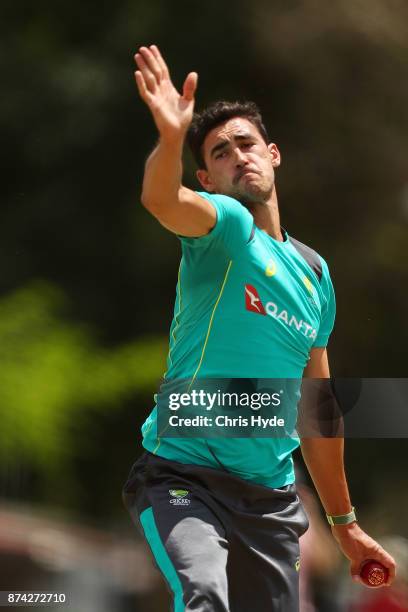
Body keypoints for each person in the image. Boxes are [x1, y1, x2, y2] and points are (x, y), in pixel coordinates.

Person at [123, 44, 396, 611]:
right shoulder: (225, 228)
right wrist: (170, 137)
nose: (237, 156)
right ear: (208, 178)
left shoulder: (316, 274)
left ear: (273, 154)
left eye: (246, 143)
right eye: (220, 153)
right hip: (182, 477)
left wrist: (345, 524)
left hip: (271, 505)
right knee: (203, 593)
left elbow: (318, 408)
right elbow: (160, 198)